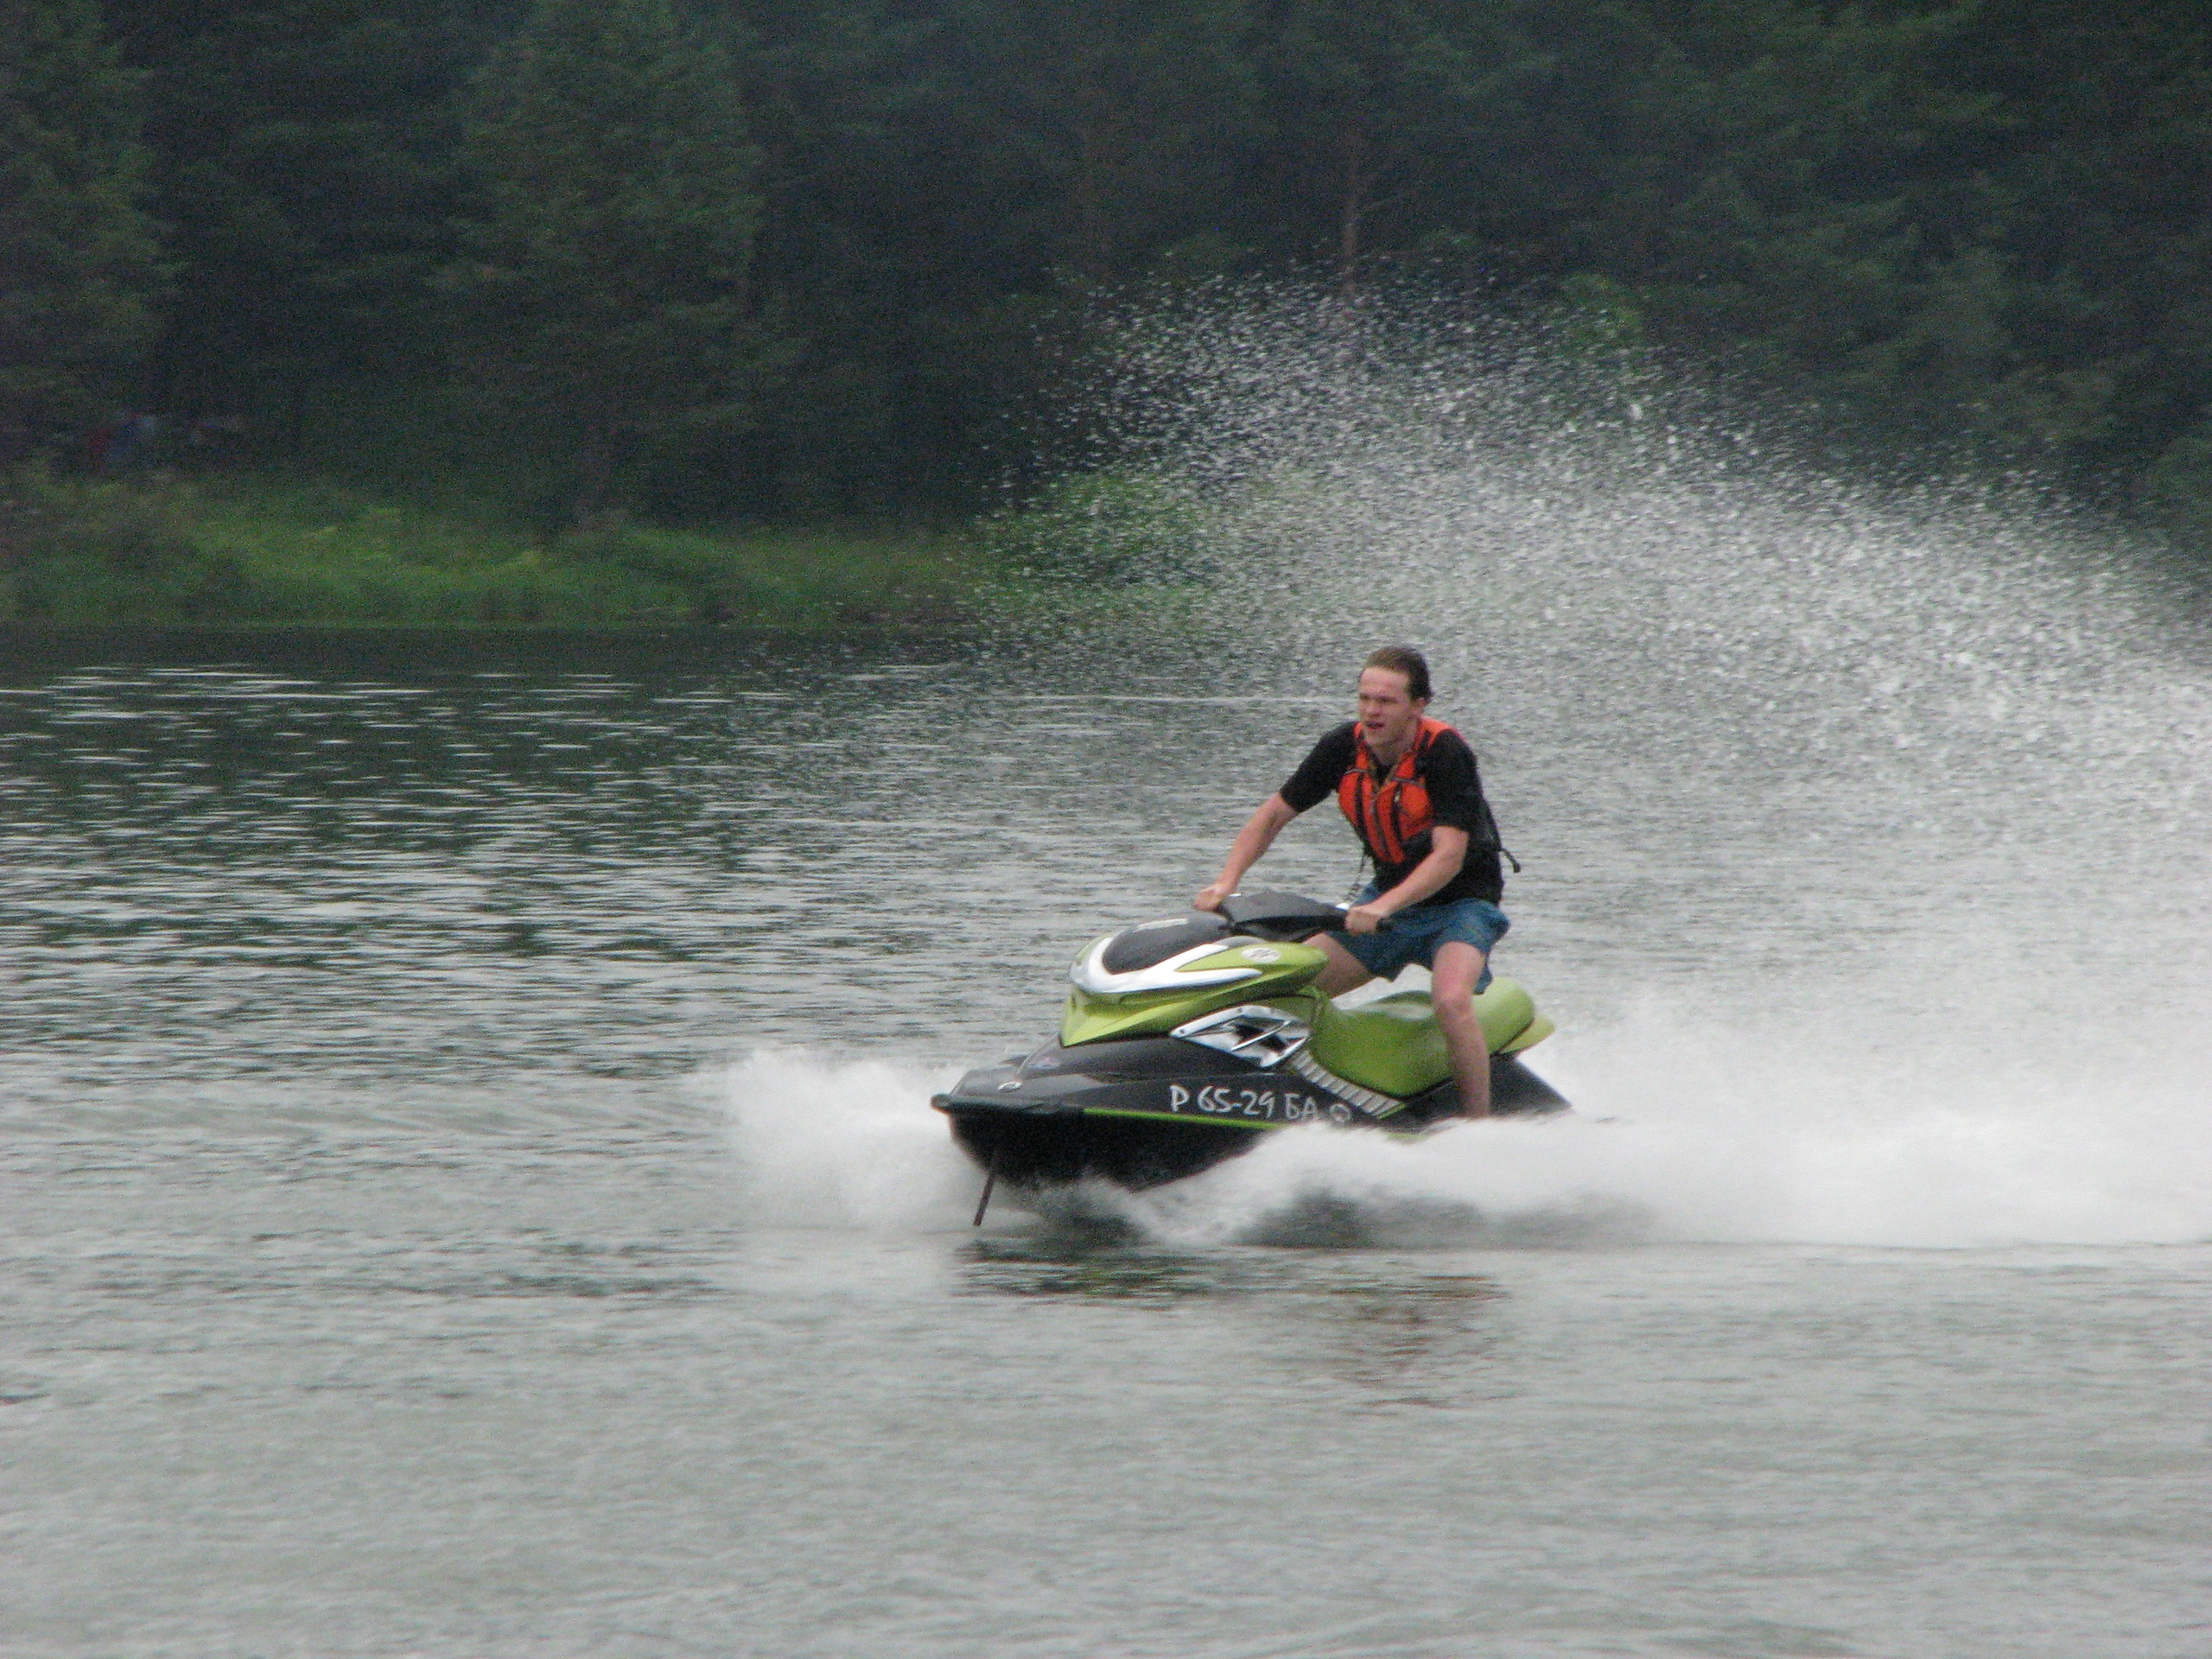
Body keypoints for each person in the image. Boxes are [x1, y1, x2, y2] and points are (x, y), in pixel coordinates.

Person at [1194, 645, 1510, 1117]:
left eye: (1386, 701)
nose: (1371, 711)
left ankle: (1478, 1128)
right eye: (1365, 698)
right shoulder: (1343, 746)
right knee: (1285, 992)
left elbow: (1448, 857)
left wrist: (1383, 907)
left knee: (1450, 1001)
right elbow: (1274, 815)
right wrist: (1226, 881)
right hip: (1384, 905)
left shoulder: (1445, 754)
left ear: (1417, 706)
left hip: (1462, 905)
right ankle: (1279, 1100)